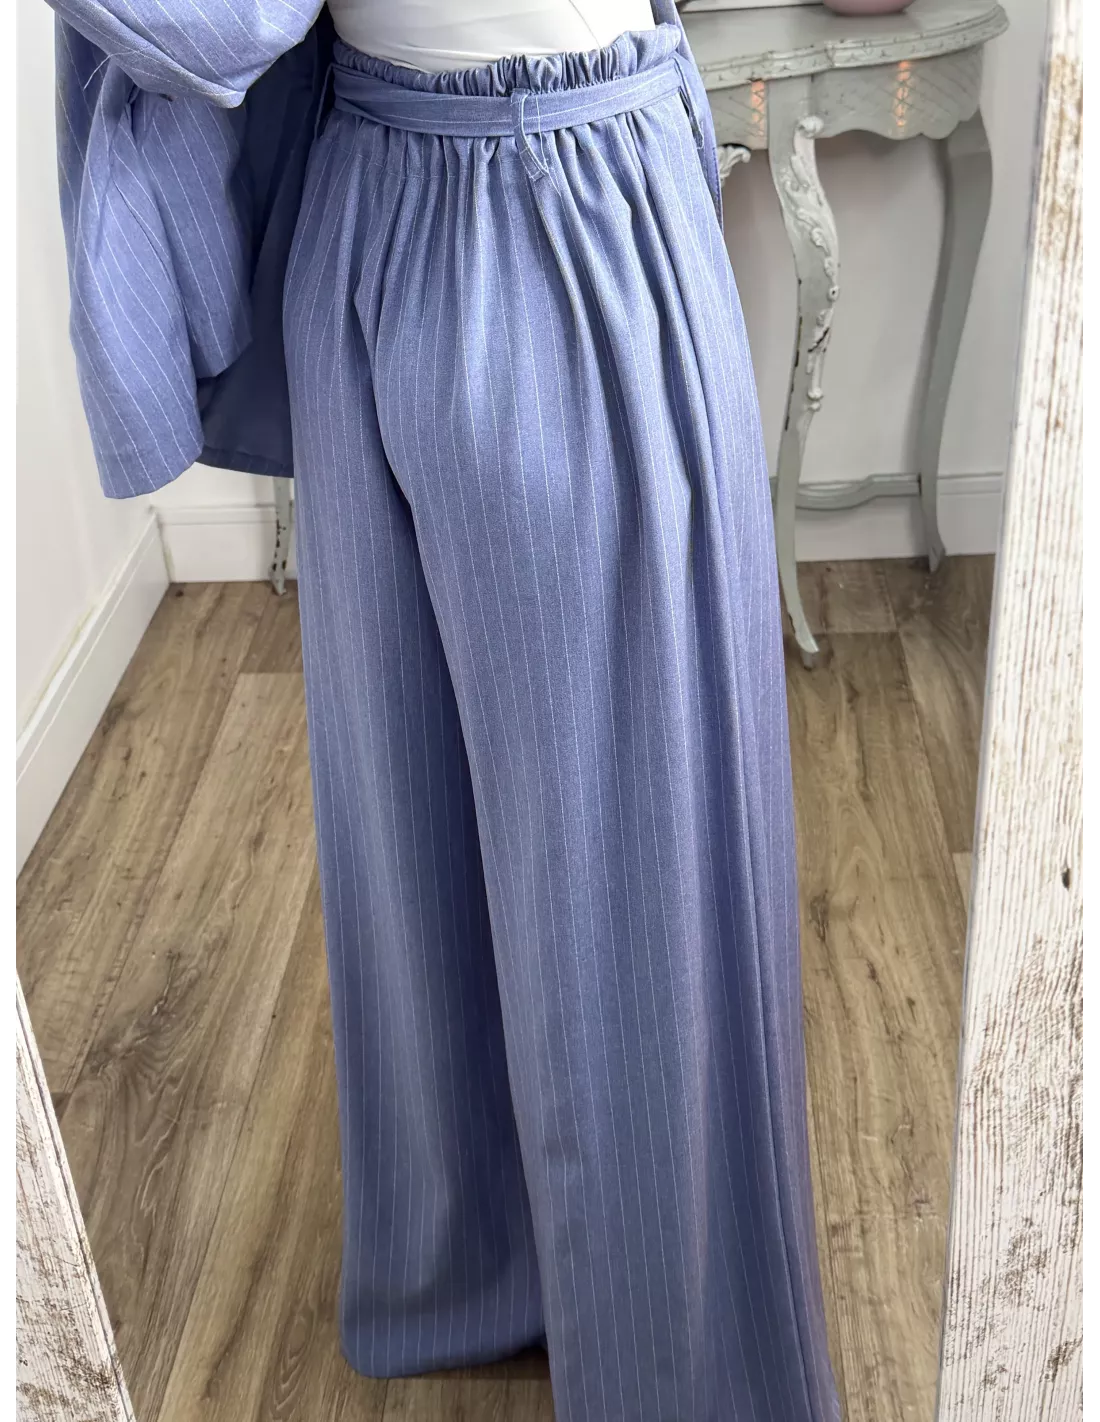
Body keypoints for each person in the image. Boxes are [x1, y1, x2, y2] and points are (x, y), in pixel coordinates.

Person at [50, 0, 841, 1417]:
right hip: (389, 183)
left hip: (557, 204)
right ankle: (508, 1279)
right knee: (425, 832)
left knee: (603, 853)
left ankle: (634, 1342)